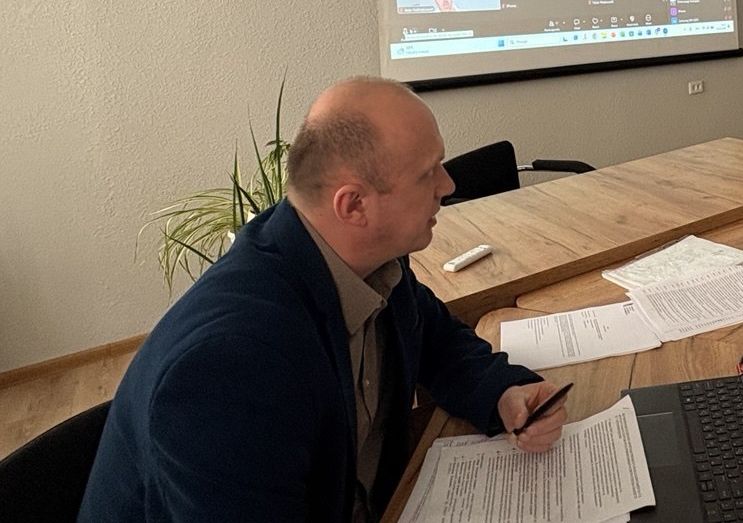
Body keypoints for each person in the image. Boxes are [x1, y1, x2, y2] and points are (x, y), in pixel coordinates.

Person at [79, 77, 567, 523]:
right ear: (353, 205)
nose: (449, 185)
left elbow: (434, 338)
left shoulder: (365, 257)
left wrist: (501, 393)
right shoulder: (230, 367)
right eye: (427, 174)